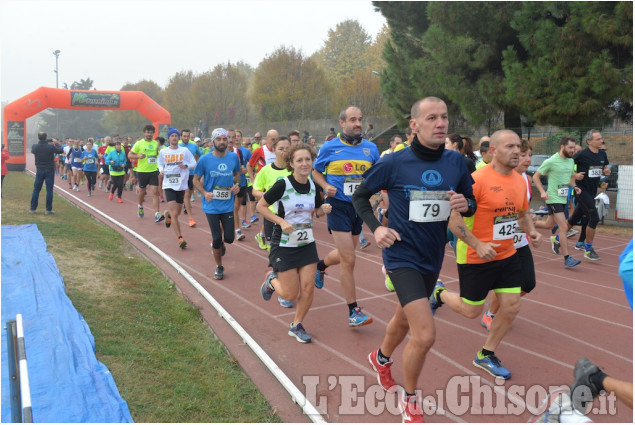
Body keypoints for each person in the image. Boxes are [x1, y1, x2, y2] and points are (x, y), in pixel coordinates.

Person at [352, 96, 479, 423]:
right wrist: (377, 228)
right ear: (414, 125)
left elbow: (471, 201)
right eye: (432, 118)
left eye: (445, 117)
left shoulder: (456, 163)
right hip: (400, 254)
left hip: (432, 256)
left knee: (403, 318)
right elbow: (360, 196)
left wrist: (467, 203)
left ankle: (380, 359)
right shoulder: (395, 162)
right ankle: (410, 402)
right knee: (425, 334)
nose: (441, 123)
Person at [430, 129, 542, 381]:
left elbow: (522, 213)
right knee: (471, 311)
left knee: (512, 307)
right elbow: (453, 222)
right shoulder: (475, 180)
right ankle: (438, 293)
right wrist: (478, 244)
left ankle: (486, 353)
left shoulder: (519, 179)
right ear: (493, 151)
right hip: (475, 256)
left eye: (518, 147)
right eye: (510, 147)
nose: (516, 152)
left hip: (507, 254)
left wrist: (532, 231)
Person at [312, 105, 380, 327]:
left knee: (344, 254)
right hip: (338, 205)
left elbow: (375, 175)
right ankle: (353, 312)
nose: (357, 123)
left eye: (360, 119)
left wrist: (374, 194)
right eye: (352, 119)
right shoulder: (330, 147)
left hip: (358, 207)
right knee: (349, 258)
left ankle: (320, 266)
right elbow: (316, 171)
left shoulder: (371, 149)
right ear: (342, 123)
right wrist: (324, 186)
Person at [259, 144, 332, 343]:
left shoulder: (314, 186)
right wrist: (281, 222)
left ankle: (296, 325)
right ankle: (271, 280)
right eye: (299, 160)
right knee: (290, 295)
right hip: (283, 243)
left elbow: (315, 211)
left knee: (308, 288)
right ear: (291, 163)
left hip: (306, 242)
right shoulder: (283, 184)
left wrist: (322, 210)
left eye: (308, 159)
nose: (304, 163)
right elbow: (261, 206)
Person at [480, 139, 538, 330]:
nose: (527, 159)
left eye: (529, 155)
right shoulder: (500, 178)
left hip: (519, 240)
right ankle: (490, 314)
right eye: (523, 155)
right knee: (471, 303)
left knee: (528, 283)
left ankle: (497, 307)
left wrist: (530, 223)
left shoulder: (526, 180)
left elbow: (523, 211)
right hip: (500, 241)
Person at [193, 128, 241, 280]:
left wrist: (236, 186)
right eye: (219, 139)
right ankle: (219, 266)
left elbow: (237, 176)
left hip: (227, 204)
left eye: (224, 139)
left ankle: (221, 244)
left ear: (228, 141)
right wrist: (204, 192)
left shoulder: (233, 158)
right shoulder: (205, 160)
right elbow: (195, 180)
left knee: (229, 238)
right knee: (216, 238)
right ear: (213, 141)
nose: (222, 142)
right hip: (211, 205)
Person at [532, 136, 584, 268]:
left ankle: (524, 224)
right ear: (562, 147)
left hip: (563, 198)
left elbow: (570, 178)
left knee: (549, 225)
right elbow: (536, 176)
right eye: (570, 148)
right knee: (563, 227)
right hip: (553, 198)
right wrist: (543, 192)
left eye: (574, 148)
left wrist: (575, 186)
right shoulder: (551, 161)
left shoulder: (571, 161)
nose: (573, 150)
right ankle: (567, 258)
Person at [565, 130, 610, 261]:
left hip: (592, 191)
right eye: (598, 139)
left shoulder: (602, 154)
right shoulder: (581, 154)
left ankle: (557, 239)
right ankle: (588, 248)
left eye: (601, 138)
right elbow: (566, 166)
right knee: (594, 218)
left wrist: (606, 171)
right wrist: (574, 176)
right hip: (580, 190)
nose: (601, 141)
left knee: (574, 219)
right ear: (589, 141)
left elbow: (604, 169)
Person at [159, 128, 197, 249]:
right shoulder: (163, 151)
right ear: (169, 138)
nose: (174, 138)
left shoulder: (184, 151)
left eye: (176, 136)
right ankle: (180, 238)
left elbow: (194, 163)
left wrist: (185, 165)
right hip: (169, 184)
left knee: (178, 212)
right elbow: (160, 163)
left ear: (178, 138)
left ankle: (168, 215)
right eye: (172, 136)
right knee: (175, 213)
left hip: (181, 185)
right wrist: (161, 170)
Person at [128, 124, 164, 222]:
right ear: (144, 133)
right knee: (142, 192)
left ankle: (157, 214)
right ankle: (140, 206)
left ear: (153, 133)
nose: (149, 134)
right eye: (147, 132)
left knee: (155, 191)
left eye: (151, 132)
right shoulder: (139, 143)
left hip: (153, 171)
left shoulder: (155, 144)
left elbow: (158, 155)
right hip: (142, 171)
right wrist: (138, 156)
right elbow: (129, 155)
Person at [30, 132, 64, 214]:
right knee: (49, 190)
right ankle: (48, 209)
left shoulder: (35, 146)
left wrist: (45, 141)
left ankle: (32, 209)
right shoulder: (51, 147)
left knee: (36, 189)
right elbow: (60, 150)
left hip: (40, 170)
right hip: (49, 169)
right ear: (46, 138)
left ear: (38, 138)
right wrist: (56, 143)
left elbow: (33, 151)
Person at [178, 128, 203, 227]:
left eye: (188, 136)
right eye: (184, 136)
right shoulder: (178, 145)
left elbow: (201, 155)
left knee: (188, 194)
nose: (186, 138)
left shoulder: (193, 146)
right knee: (186, 194)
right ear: (181, 136)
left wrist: (197, 163)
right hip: (181, 173)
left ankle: (185, 204)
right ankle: (190, 218)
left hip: (192, 172)